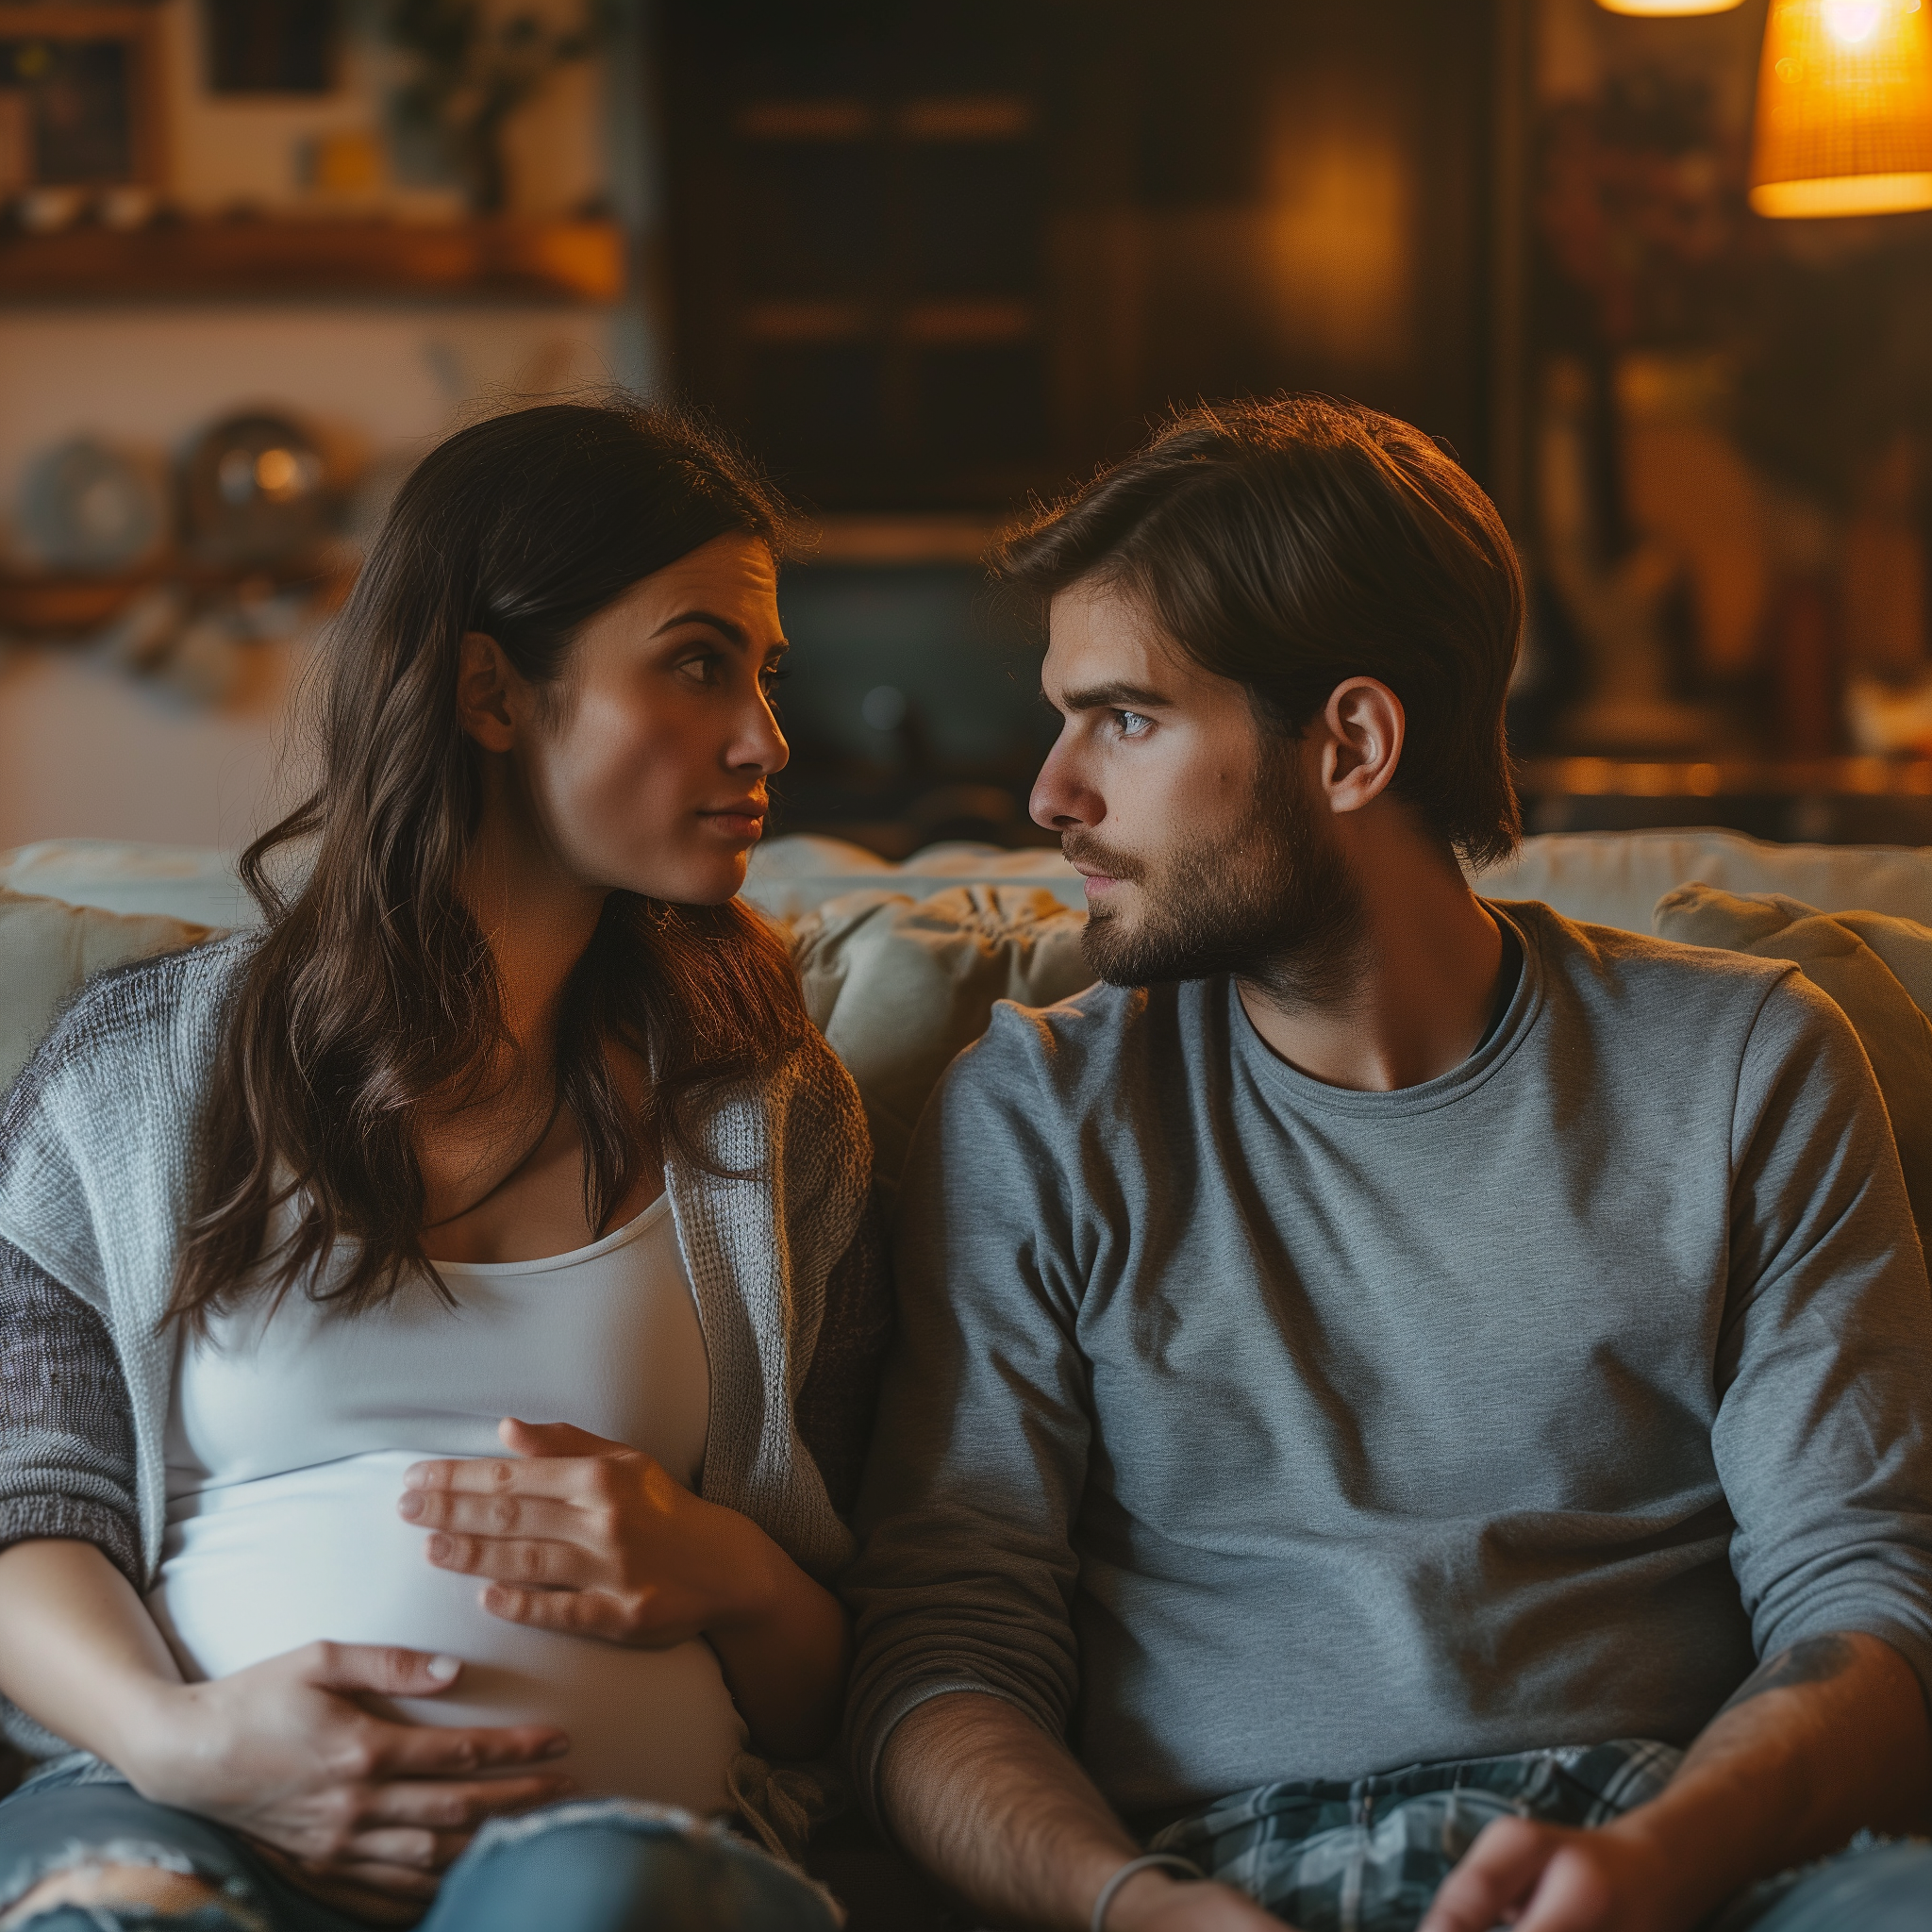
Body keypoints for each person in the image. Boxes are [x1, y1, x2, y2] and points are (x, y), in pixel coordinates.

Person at [843, 395, 1932, 1932]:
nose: (1053, 794)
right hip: (1223, 1875)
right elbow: (945, 1652)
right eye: (1062, 716)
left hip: (1678, 1856)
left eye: (1127, 718)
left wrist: (1661, 1864)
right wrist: (1137, 1911)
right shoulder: (1038, 1111)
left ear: (1350, 743)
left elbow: (1875, 1609)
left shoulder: (1748, 1066)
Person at [0, 402, 888, 1932]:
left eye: (762, 674)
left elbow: (845, 1679)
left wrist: (726, 1568)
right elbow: (28, 1505)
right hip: (171, 1808)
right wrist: (188, 1746)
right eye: (696, 662)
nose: (766, 740)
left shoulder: (769, 1112)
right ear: (490, 688)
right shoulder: (136, 1075)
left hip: (610, 1854)